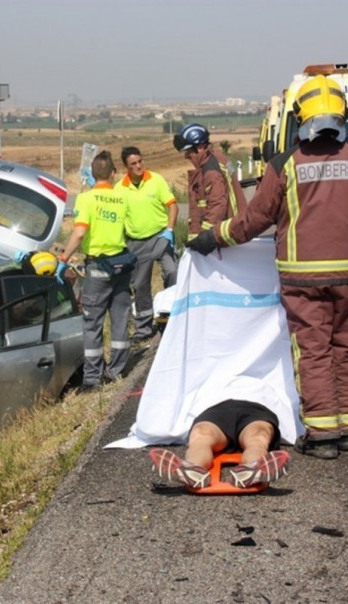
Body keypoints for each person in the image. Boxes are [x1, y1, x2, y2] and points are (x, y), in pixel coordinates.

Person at [187, 75, 348, 459]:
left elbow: (254, 220)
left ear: (302, 117)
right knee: (346, 348)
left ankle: (321, 435)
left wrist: (214, 236)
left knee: (313, 351)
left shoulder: (285, 164)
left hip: (302, 278)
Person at [57, 150, 133, 391]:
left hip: (98, 266)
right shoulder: (123, 198)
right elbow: (132, 230)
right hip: (122, 264)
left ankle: (92, 379)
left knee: (92, 322)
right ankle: (118, 370)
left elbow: (79, 233)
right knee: (120, 318)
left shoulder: (86, 199)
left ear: (92, 174)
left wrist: (64, 257)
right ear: (113, 173)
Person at [148, 399, 291, 489]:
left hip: (259, 407)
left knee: (258, 436)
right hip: (215, 407)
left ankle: (253, 469)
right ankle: (193, 469)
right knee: (202, 434)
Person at [115, 146, 178, 343]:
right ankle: (143, 329)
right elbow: (116, 218)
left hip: (160, 237)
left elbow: (173, 206)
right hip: (136, 243)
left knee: (172, 271)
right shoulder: (120, 189)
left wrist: (169, 230)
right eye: (133, 164)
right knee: (140, 285)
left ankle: (172, 317)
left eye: (140, 161)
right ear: (126, 166)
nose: (139, 166)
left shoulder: (156, 180)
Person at [173, 123, 247, 241]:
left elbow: (217, 206)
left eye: (188, 152)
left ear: (200, 147)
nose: (186, 156)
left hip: (222, 237)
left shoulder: (211, 171)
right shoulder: (217, 158)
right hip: (231, 230)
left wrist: (204, 237)